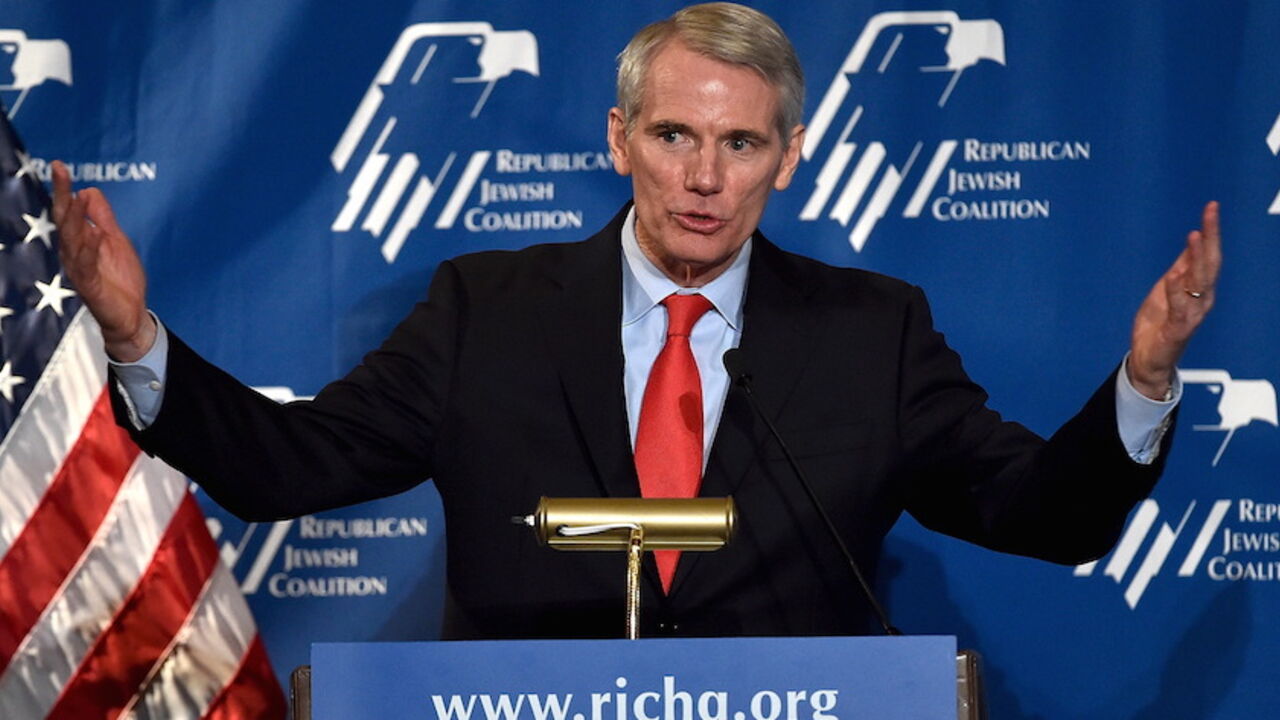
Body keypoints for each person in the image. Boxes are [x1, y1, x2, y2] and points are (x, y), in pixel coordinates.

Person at [51, 3, 1220, 639]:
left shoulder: (871, 332)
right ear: (619, 141)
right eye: (673, 136)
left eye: (740, 142)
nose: (703, 176)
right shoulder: (484, 312)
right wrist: (137, 338)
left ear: (788, 161)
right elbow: (282, 465)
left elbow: (1042, 514)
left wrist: (1144, 379)